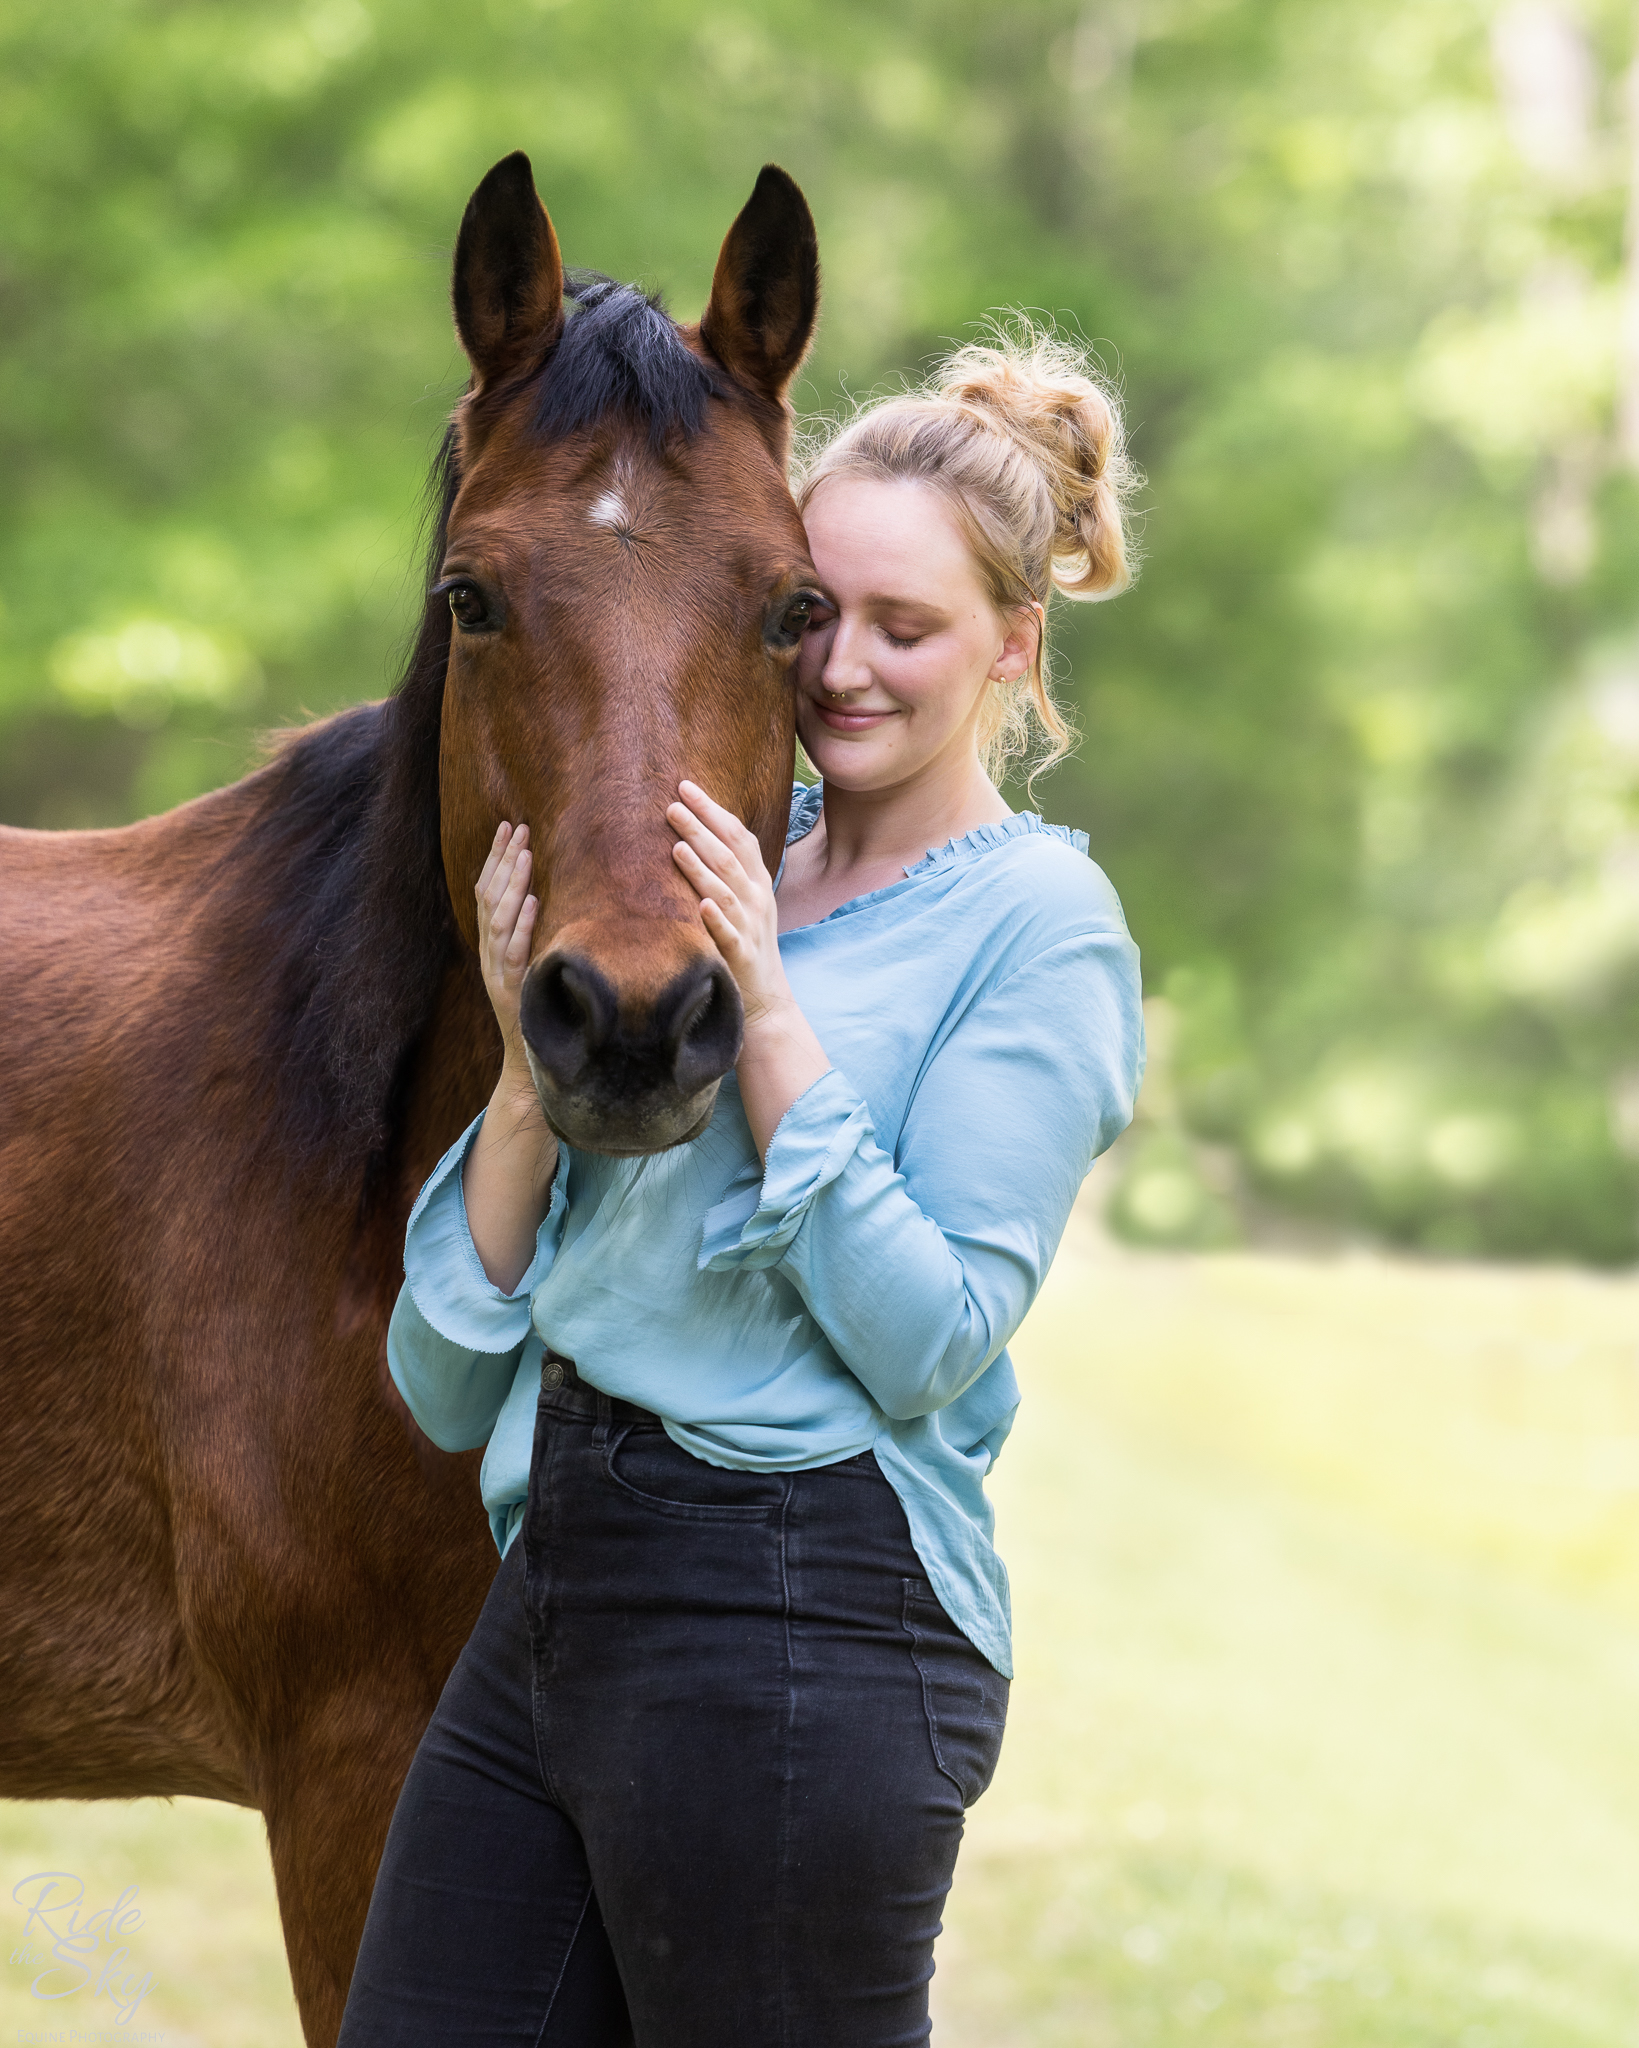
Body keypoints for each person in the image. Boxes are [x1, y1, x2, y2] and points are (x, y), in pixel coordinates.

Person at [336, 321, 1146, 2048]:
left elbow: (930, 1340)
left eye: (906, 627)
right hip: (556, 1581)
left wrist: (770, 1018)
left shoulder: (1038, 928)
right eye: (813, 615)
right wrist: (527, 1067)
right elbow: (438, 1377)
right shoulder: (691, 895)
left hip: (804, 1614)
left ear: (1011, 646)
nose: (844, 668)